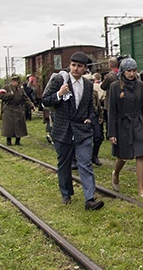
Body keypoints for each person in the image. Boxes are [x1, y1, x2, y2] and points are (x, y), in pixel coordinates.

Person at [42, 51, 104, 210]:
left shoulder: (89, 85)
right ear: (70, 65)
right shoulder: (59, 80)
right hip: (63, 130)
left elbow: (91, 106)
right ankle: (66, 193)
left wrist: (90, 117)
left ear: (85, 69)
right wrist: (59, 94)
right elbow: (45, 101)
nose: (76, 69)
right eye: (73, 65)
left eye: (79, 66)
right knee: (64, 164)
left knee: (85, 163)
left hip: (82, 130)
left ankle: (90, 199)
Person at [108, 58, 143, 198]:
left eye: (134, 70)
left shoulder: (141, 86)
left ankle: (141, 188)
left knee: (140, 155)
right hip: (122, 125)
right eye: (129, 71)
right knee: (122, 157)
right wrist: (112, 132)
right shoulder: (115, 87)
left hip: (137, 123)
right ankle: (115, 173)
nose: (132, 74)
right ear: (123, 71)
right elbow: (112, 111)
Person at [0, 74, 33, 146]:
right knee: (9, 126)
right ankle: (8, 140)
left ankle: (18, 140)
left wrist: (31, 104)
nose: (18, 84)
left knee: (19, 124)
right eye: (17, 82)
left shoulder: (20, 89)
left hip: (18, 108)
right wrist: (9, 94)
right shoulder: (6, 87)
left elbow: (25, 97)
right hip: (9, 108)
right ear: (14, 82)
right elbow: (0, 96)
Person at [100, 56, 120, 128]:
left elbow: (103, 86)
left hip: (110, 101)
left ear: (109, 64)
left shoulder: (110, 76)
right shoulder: (121, 74)